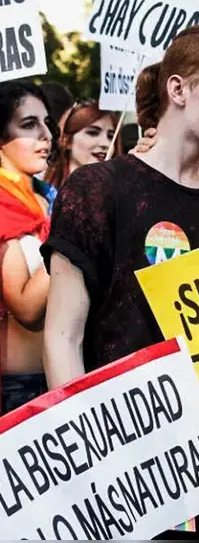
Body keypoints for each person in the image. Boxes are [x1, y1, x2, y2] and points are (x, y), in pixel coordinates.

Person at [41, 24, 199, 539]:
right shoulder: (98, 188)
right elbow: (62, 336)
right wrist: (89, 461)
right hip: (124, 470)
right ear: (178, 89)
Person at [0, 81, 55, 414]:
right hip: (15, 394)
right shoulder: (3, 204)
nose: (46, 134)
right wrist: (65, 239)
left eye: (47, 122)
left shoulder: (47, 197)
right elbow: (27, 308)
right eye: (29, 124)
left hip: (54, 380)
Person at [44, 101, 119, 189]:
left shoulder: (120, 195)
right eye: (92, 133)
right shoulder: (39, 193)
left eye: (110, 136)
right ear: (67, 140)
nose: (106, 144)